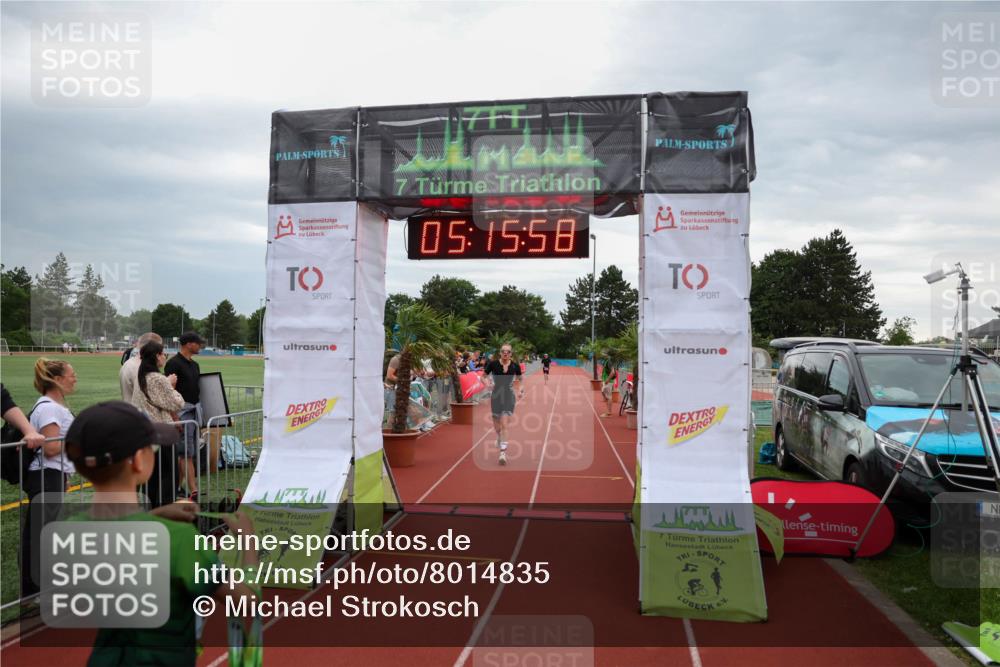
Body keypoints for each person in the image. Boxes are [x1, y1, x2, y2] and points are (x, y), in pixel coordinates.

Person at [62, 401, 258, 666]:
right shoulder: (180, 539)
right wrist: (248, 541)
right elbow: (246, 600)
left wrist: (156, 515)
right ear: (137, 461)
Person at [21, 358, 77, 596]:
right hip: (46, 475)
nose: (75, 379)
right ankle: (33, 590)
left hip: (52, 474)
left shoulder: (51, 406)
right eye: (71, 375)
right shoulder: (49, 408)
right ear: (57, 380)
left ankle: (37, 587)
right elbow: (51, 448)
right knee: (41, 533)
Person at [131, 340, 184, 507]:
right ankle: (165, 510)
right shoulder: (157, 379)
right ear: (156, 356)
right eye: (163, 354)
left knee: (152, 475)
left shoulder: (141, 377)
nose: (164, 357)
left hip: (145, 434)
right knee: (169, 474)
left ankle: (151, 508)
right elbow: (177, 403)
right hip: (162, 433)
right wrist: (171, 385)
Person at [164, 331, 205, 498]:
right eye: (198, 343)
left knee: (189, 453)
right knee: (185, 453)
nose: (200, 346)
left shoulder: (195, 365)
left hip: (194, 412)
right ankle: (194, 491)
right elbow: (168, 392)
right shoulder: (173, 363)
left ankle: (174, 490)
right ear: (188, 344)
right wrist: (174, 416)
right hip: (182, 413)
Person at [483, 343, 524, 466]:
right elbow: (483, 377)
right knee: (497, 427)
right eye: (503, 351)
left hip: (509, 396)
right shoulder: (493, 364)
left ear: (511, 354)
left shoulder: (515, 366)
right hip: (496, 396)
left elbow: (520, 379)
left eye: (508, 351)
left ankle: (502, 453)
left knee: (504, 424)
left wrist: (520, 390)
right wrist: (487, 384)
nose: (505, 353)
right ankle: (499, 437)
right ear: (500, 353)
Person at [120, 332, 163, 404]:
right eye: (160, 349)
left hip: (129, 407)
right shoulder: (142, 368)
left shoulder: (128, 363)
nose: (161, 352)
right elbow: (150, 398)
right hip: (138, 410)